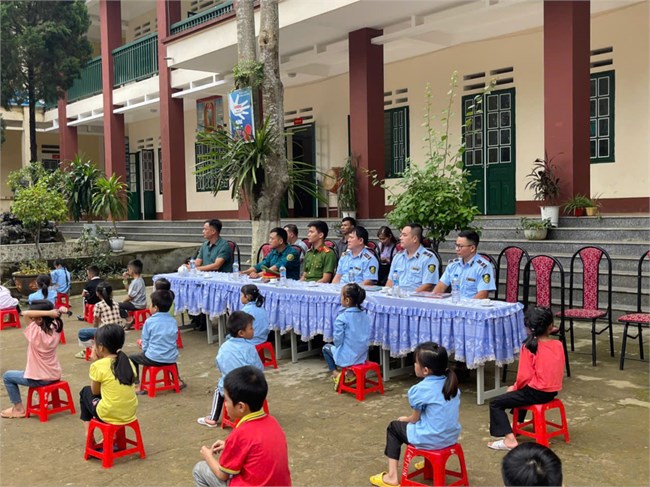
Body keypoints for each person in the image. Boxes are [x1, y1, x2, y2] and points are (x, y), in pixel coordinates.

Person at [370, 342, 460, 487]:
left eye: (415, 362)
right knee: (430, 422)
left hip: (432, 439)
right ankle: (430, 464)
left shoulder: (419, 389)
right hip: (450, 437)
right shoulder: (451, 384)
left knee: (394, 427)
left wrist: (404, 419)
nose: (414, 365)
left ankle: (392, 477)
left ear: (425, 370)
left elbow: (414, 418)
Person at [193, 366, 292, 487]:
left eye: (227, 400)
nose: (225, 404)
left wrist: (207, 455)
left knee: (199, 469)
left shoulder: (240, 434)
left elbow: (222, 474)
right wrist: (229, 445)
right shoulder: (273, 422)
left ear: (241, 407)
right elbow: (257, 447)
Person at [487, 307, 565, 451]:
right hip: (552, 390)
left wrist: (514, 388)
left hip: (536, 392)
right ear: (550, 326)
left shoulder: (529, 346)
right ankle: (517, 424)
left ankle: (509, 440)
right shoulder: (558, 344)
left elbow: (524, 377)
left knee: (496, 403)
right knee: (522, 392)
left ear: (528, 329)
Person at [196, 311, 263, 428]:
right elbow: (259, 369)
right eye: (251, 328)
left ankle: (212, 418)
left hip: (231, 389)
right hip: (250, 389)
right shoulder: (250, 348)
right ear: (241, 333)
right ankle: (256, 414)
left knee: (219, 388)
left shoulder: (224, 346)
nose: (253, 330)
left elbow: (219, 364)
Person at [1, 300, 65, 418]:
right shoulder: (56, 327)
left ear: (39, 319)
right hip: (54, 374)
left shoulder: (36, 331)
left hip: (41, 378)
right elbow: (52, 315)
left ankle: (19, 409)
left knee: (7, 376)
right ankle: (39, 400)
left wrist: (48, 313)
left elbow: (26, 313)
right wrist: (57, 310)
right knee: (25, 373)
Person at [79, 324, 138, 442]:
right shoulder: (128, 361)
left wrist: (95, 362)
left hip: (109, 414)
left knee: (85, 392)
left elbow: (95, 392)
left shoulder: (98, 365)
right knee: (110, 391)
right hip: (130, 412)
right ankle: (115, 436)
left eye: (94, 344)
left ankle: (88, 433)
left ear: (100, 348)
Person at [129, 290, 186, 392]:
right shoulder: (173, 321)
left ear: (155, 308)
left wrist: (143, 347)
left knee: (132, 358)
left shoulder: (149, 322)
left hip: (153, 357)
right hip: (171, 357)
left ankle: (137, 385)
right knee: (170, 357)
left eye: (151, 304)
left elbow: (145, 344)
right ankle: (177, 380)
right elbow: (174, 339)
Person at [322, 283, 370, 389]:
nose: (340, 298)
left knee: (326, 348)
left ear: (347, 300)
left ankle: (336, 374)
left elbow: (338, 340)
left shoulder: (342, 318)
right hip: (362, 355)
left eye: (341, 296)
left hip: (347, 356)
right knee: (347, 347)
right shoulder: (366, 315)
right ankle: (349, 373)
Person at [434, 229, 496, 299]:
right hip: (453, 304)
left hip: (471, 307)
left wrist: (465, 307)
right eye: (456, 245)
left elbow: (483, 294)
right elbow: (440, 287)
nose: (457, 249)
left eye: (460, 246)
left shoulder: (483, 267)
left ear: (472, 248)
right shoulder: (453, 265)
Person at [75, 281, 124, 358]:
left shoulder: (98, 305)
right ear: (111, 293)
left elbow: (95, 321)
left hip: (107, 332)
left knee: (81, 333)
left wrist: (96, 332)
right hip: (119, 332)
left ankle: (94, 347)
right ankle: (98, 345)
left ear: (97, 293)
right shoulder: (116, 304)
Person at [386, 223, 439, 292]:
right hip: (396, 297)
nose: (400, 238)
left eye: (404, 235)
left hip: (416, 299)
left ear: (414, 239)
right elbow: (390, 281)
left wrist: (409, 297)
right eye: (401, 235)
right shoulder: (398, 257)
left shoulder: (428, 258)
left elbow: (428, 286)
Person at [118, 259, 147, 329]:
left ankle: (129, 320)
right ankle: (131, 319)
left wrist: (123, 301)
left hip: (136, 304)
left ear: (131, 270)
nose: (127, 271)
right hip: (141, 303)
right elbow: (129, 291)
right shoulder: (140, 279)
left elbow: (130, 296)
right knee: (123, 304)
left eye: (128, 269)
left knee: (116, 305)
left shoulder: (135, 282)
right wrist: (125, 280)